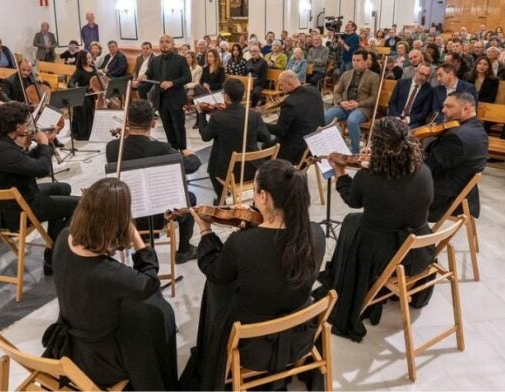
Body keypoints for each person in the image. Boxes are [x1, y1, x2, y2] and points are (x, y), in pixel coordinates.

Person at [180, 159, 326, 390]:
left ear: (265, 197)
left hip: (253, 347)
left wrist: (206, 231)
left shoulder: (242, 244)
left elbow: (216, 273)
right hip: (299, 335)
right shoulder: (316, 233)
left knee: (216, 288)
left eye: (255, 191)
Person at [42, 177, 178, 390]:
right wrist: (136, 238)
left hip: (72, 336)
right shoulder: (107, 273)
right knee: (160, 316)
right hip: (96, 360)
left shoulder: (64, 237)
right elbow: (149, 284)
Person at [314, 117, 436, 342]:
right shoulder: (423, 170)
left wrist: (340, 172)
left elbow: (353, 200)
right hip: (420, 246)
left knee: (352, 223)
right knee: (353, 221)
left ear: (378, 147)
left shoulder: (369, 177)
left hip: (386, 253)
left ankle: (343, 276)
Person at [0, 102, 80, 275]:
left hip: (14, 198)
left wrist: (46, 143)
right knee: (82, 204)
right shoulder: (1, 151)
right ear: (18, 127)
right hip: (15, 211)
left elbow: (23, 162)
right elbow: (42, 170)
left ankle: (53, 245)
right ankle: (55, 257)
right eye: (28, 123)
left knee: (63, 188)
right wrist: (44, 145)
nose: (31, 127)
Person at [105, 100, 201, 263]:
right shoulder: (162, 149)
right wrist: (190, 154)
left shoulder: (113, 147)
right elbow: (192, 166)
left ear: (127, 122)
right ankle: (184, 250)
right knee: (189, 199)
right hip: (157, 213)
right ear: (153, 123)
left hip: (126, 211)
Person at [197, 79, 272, 200]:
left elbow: (205, 137)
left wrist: (201, 114)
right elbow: (266, 137)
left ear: (226, 97)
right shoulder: (253, 115)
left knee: (212, 168)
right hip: (254, 169)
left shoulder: (217, 117)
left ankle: (222, 198)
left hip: (228, 172)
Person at [426, 91, 488, 222]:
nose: (443, 110)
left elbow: (427, 168)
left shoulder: (456, 137)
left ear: (466, 109)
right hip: (462, 193)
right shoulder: (478, 129)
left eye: (449, 107)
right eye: (444, 106)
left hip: (443, 198)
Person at [138, 35, 191, 150]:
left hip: (176, 99)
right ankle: (172, 151)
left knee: (178, 127)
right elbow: (149, 74)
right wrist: (144, 76)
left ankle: (183, 151)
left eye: (167, 42)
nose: (164, 44)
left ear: (173, 44)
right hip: (161, 100)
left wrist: (172, 83)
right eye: (162, 42)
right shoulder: (155, 61)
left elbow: (188, 77)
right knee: (168, 127)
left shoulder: (180, 59)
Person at [324, 49, 380, 153]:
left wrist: (358, 104)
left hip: (362, 108)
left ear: (365, 61)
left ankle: (355, 152)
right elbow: (337, 92)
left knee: (352, 121)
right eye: (353, 60)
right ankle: (331, 146)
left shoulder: (374, 76)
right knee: (326, 116)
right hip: (345, 105)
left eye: (358, 60)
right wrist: (341, 102)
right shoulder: (346, 74)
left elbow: (374, 97)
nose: (355, 62)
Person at [266, 70, 324, 164]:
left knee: (265, 147)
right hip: (314, 145)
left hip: (297, 151)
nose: (280, 88)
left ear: (290, 84)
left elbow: (279, 131)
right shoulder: (314, 91)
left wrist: (261, 123)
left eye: (281, 85)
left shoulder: (290, 103)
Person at [388, 63, 435, 128]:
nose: (423, 78)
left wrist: (408, 120)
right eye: (421, 74)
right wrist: (397, 117)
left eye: (427, 76)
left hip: (413, 121)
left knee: (407, 132)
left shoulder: (429, 90)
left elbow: (424, 113)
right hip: (396, 116)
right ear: (416, 71)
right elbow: (392, 103)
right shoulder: (401, 83)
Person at [68, 50, 97, 140]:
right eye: (88, 58)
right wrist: (78, 89)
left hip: (93, 94)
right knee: (85, 105)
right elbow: (70, 82)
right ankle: (84, 133)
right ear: (83, 59)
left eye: (90, 57)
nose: (90, 59)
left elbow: (96, 81)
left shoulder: (93, 68)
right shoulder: (79, 70)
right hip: (84, 95)